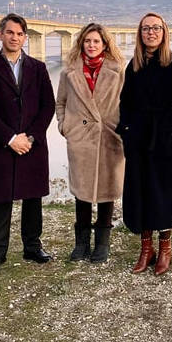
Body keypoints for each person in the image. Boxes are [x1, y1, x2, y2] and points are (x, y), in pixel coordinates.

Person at [0, 13, 56, 274]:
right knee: (1, 200)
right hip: (2, 144)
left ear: (25, 38)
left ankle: (32, 246)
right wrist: (10, 138)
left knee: (33, 198)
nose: (15, 37)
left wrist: (30, 137)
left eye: (20, 34)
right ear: (0, 35)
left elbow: (48, 106)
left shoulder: (38, 68)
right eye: (10, 32)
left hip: (32, 144)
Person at [117, 12, 172, 276]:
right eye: (146, 28)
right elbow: (124, 102)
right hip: (137, 139)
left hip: (163, 138)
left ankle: (165, 248)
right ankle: (146, 248)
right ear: (140, 33)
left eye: (156, 28)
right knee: (141, 191)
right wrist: (127, 130)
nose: (151, 32)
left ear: (164, 31)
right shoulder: (134, 65)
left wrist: (167, 125)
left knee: (163, 192)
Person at [56, 23, 125, 263]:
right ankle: (81, 243)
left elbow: (126, 102)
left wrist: (121, 129)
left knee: (108, 190)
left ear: (105, 44)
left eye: (96, 41)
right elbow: (61, 102)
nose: (91, 45)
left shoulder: (118, 70)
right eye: (87, 41)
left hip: (110, 136)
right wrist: (65, 126)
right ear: (81, 43)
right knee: (82, 191)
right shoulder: (69, 72)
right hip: (81, 138)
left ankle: (102, 243)